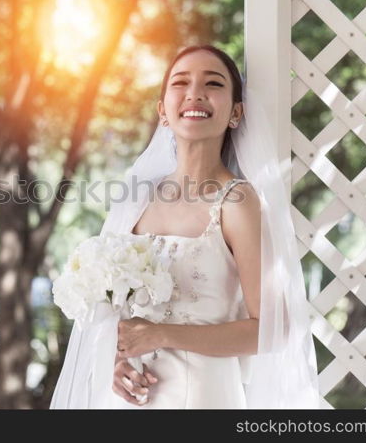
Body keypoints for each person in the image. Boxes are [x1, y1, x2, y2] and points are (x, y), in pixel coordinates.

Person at [50, 45, 321, 409]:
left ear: (235, 112)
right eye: (181, 83)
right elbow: (123, 315)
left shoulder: (237, 203)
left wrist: (161, 335)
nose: (195, 93)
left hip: (204, 398)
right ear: (163, 110)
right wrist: (118, 363)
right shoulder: (137, 198)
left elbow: (272, 329)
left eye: (213, 83)